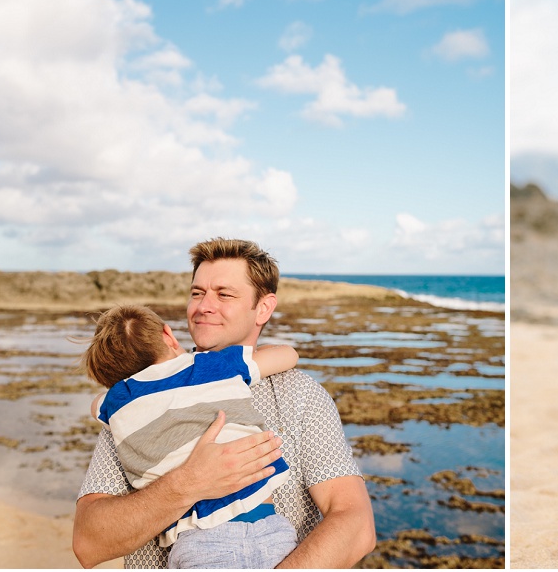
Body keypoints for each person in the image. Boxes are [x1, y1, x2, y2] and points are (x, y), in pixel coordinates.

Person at [73, 238, 376, 571]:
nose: (204, 306)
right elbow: (89, 543)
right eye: (197, 292)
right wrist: (188, 482)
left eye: (224, 294)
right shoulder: (137, 401)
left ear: (264, 308)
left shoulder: (301, 395)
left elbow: (355, 523)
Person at [83, 303, 300, 568]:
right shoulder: (209, 365)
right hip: (268, 525)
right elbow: (288, 355)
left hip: (198, 543)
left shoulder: (116, 401)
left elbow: (96, 406)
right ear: (168, 335)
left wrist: (119, 388)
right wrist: (259, 352)